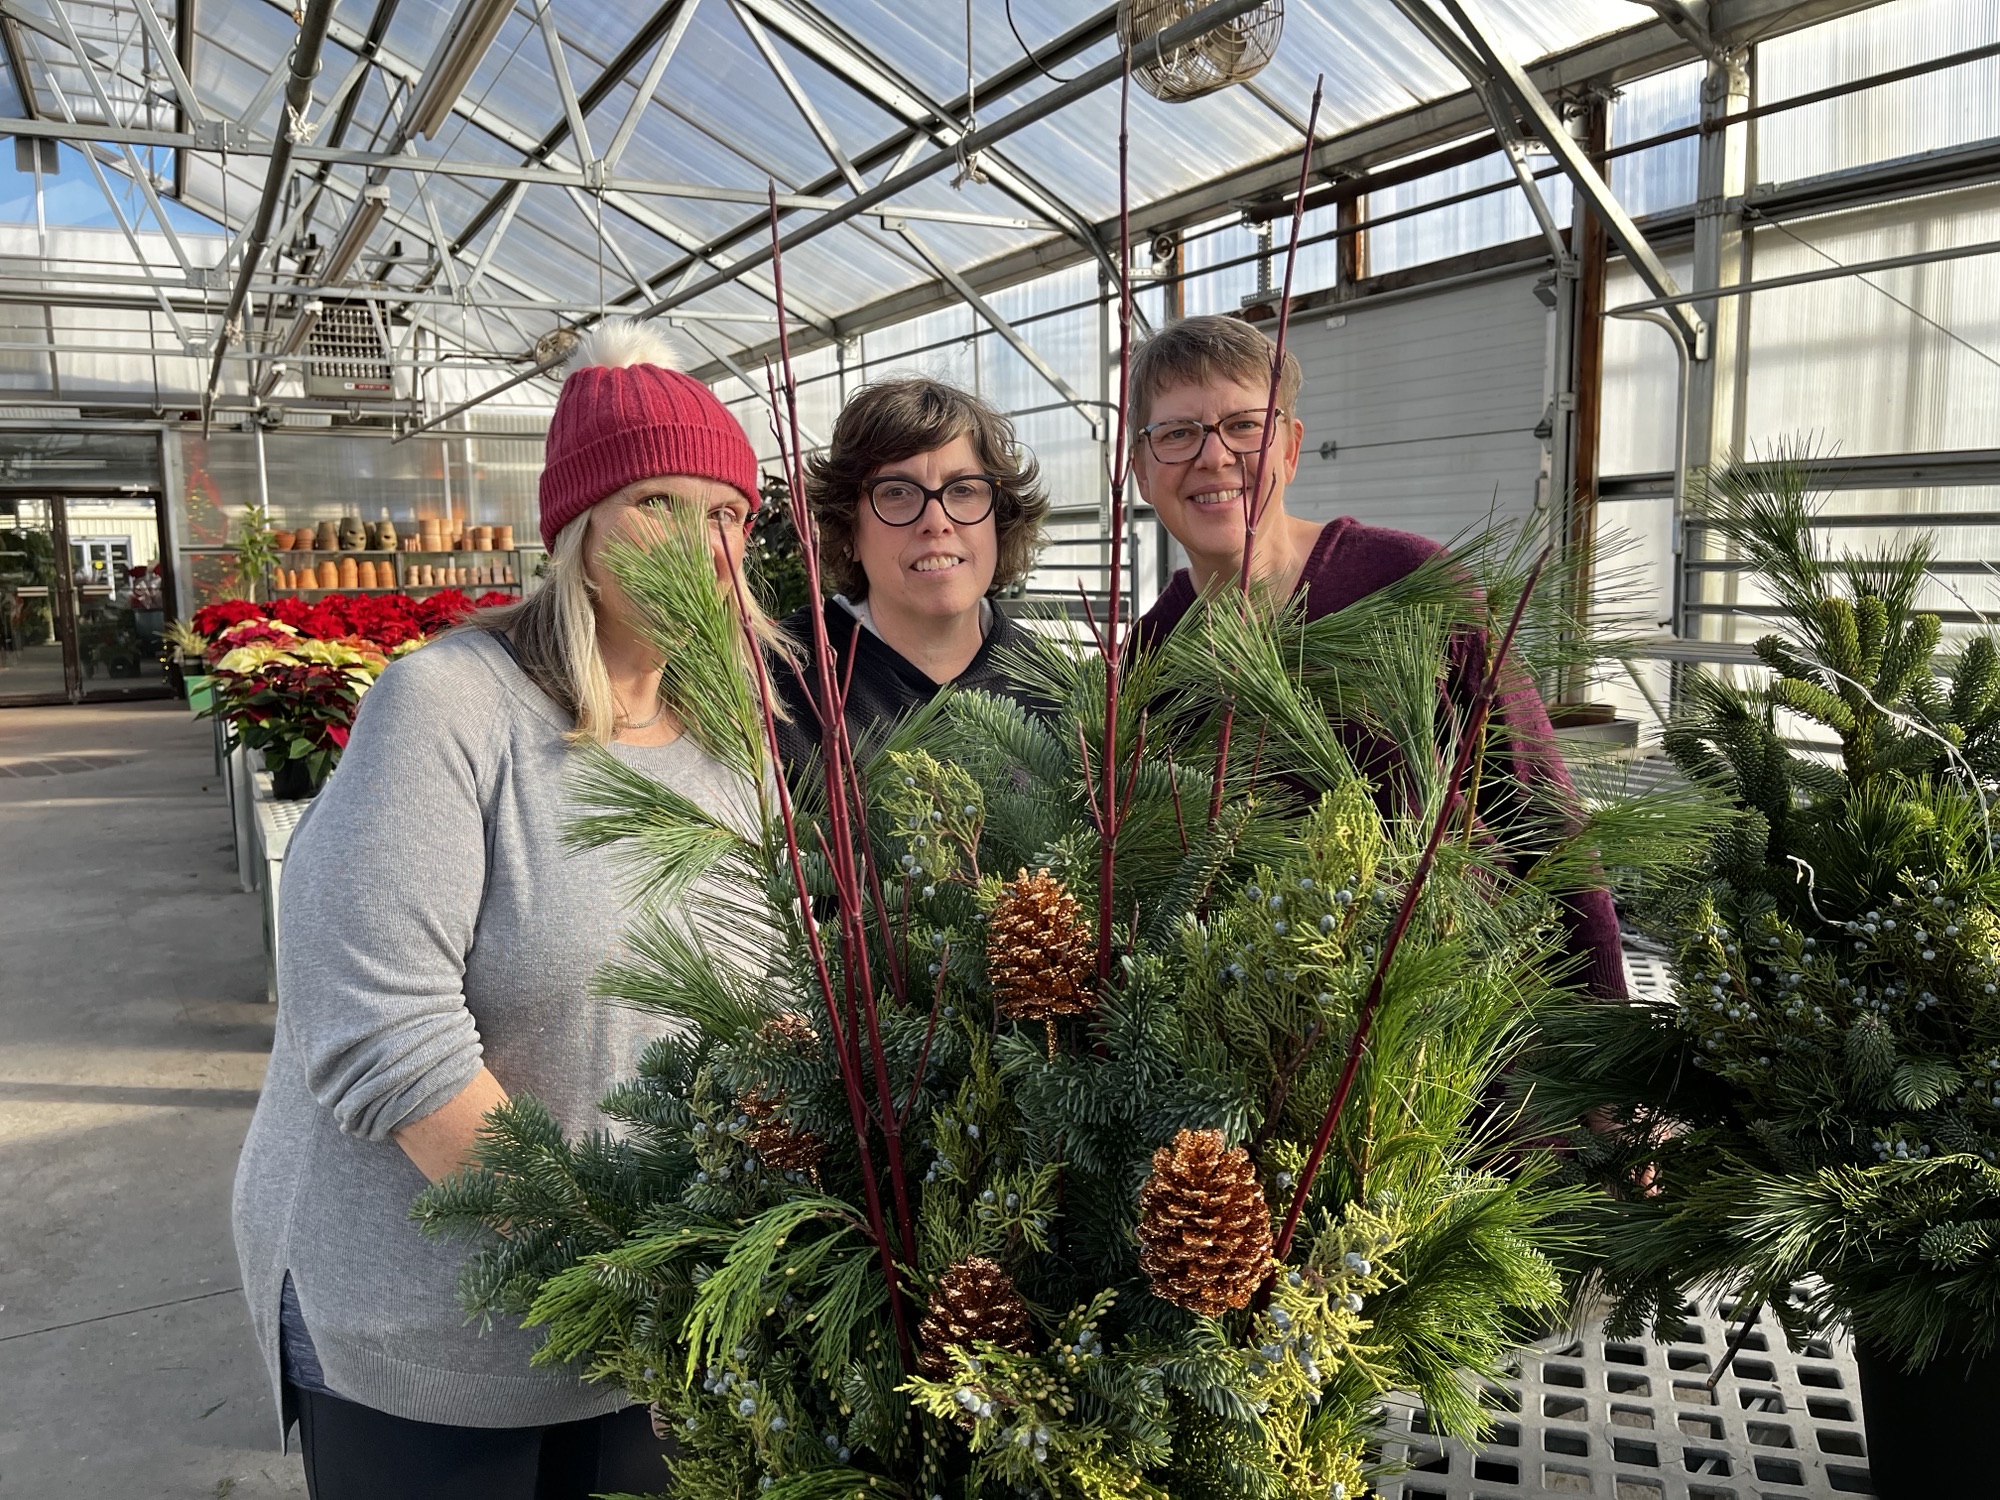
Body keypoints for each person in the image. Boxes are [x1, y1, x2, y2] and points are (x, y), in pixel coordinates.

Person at [232, 318, 773, 1498]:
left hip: (657, 1328)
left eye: (728, 513)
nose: (704, 546)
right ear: (579, 533)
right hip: (430, 1334)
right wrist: (602, 1262)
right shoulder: (449, 709)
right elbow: (384, 1031)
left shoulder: (737, 743)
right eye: (659, 507)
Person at [1128, 313, 1625, 1000]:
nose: (1215, 457)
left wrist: (1601, 1053)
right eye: (1178, 433)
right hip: (1260, 1052)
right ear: (1141, 472)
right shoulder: (1151, 657)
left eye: (1245, 425)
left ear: (1291, 448)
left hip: (1457, 1036)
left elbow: (1542, 811)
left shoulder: (1409, 582)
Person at [772, 377, 1051, 784]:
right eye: (897, 492)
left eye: (964, 490)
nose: (936, 522)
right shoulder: (776, 682)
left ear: (999, 519)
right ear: (849, 532)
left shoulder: (1053, 686)